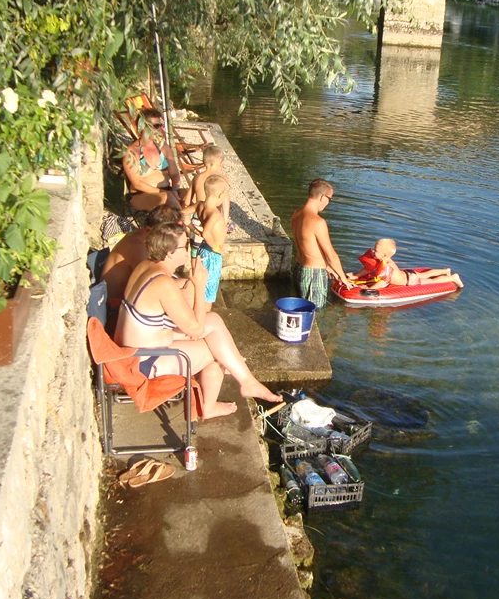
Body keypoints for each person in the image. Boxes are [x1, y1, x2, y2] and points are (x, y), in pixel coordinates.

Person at [115, 222, 282, 419]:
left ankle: (247, 381)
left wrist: (188, 284)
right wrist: (199, 285)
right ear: (169, 253)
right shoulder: (163, 283)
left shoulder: (147, 266)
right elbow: (195, 328)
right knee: (216, 351)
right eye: (185, 246)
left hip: (137, 349)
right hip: (145, 362)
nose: (190, 251)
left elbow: (169, 295)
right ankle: (213, 404)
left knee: (214, 320)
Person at [101, 204, 183, 307]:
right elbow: (150, 284)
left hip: (126, 300)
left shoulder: (142, 238)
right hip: (115, 306)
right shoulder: (138, 247)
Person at [290, 179, 353, 309]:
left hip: (298, 269)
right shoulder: (318, 222)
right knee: (315, 313)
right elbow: (331, 255)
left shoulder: (296, 214)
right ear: (322, 197)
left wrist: (327, 268)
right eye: (330, 199)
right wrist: (343, 278)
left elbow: (307, 246)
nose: (328, 203)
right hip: (313, 275)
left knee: (302, 310)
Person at [122, 110, 184, 212]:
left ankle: (185, 223)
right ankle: (184, 225)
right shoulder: (133, 152)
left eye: (161, 125)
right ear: (143, 127)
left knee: (188, 193)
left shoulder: (163, 147)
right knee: (166, 198)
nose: (161, 129)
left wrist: (175, 190)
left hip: (167, 191)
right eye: (156, 126)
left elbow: (175, 174)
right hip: (141, 194)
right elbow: (137, 183)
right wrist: (163, 192)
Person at [348, 238, 464, 289]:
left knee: (431, 280)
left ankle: (453, 277)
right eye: (374, 248)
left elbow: (383, 282)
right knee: (425, 274)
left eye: (376, 250)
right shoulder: (379, 259)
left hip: (409, 281)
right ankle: (445, 271)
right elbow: (368, 269)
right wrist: (356, 276)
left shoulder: (386, 266)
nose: (372, 251)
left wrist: (369, 288)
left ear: (384, 255)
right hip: (407, 274)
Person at [194, 175, 229, 311]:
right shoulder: (214, 213)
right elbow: (206, 233)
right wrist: (216, 248)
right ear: (220, 195)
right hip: (212, 254)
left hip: (202, 249)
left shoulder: (200, 205)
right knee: (208, 292)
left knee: (200, 287)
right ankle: (205, 316)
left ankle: (200, 315)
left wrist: (191, 229)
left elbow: (183, 214)